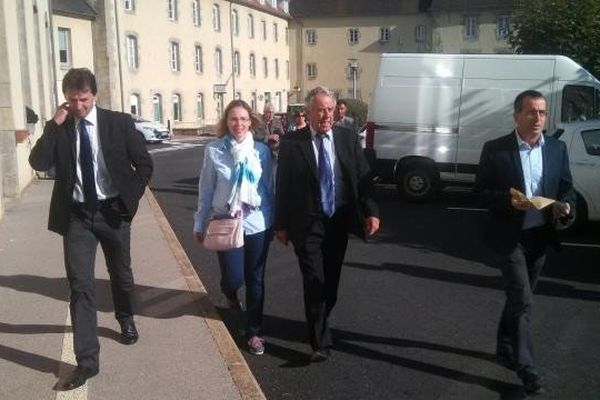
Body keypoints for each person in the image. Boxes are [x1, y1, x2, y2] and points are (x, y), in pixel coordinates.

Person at [28, 68, 153, 390]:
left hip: (113, 212)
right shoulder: (62, 127)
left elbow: (144, 165)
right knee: (80, 285)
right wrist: (52, 125)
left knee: (121, 273)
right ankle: (87, 362)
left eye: (83, 100)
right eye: (72, 101)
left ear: (94, 96)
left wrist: (129, 202)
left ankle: (125, 319)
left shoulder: (118, 123)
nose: (79, 106)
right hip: (77, 216)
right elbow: (39, 162)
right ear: (66, 100)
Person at [474, 89, 575, 396]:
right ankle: (527, 368)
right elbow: (479, 193)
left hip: (539, 238)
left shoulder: (557, 149)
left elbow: (566, 189)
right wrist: (508, 201)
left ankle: (504, 345)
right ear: (516, 114)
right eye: (531, 112)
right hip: (509, 238)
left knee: (520, 297)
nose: (537, 119)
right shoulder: (496, 149)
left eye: (542, 113)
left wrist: (567, 209)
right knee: (524, 300)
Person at [274, 86, 380, 362]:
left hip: (338, 220)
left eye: (330, 109)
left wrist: (372, 212)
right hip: (306, 224)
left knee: (330, 282)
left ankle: (320, 317)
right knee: (314, 280)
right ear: (308, 112)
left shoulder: (347, 138)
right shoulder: (292, 143)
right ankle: (320, 343)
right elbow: (282, 185)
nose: (325, 115)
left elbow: (361, 177)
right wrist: (281, 224)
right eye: (320, 109)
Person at [193, 99, 274, 356]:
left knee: (256, 279)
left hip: (258, 222)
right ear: (226, 122)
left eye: (243, 119)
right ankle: (229, 291)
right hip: (226, 220)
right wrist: (199, 221)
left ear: (251, 122)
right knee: (234, 277)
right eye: (233, 119)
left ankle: (254, 332)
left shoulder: (261, 151)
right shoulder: (214, 151)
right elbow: (205, 190)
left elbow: (269, 188)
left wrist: (278, 223)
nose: (238, 124)